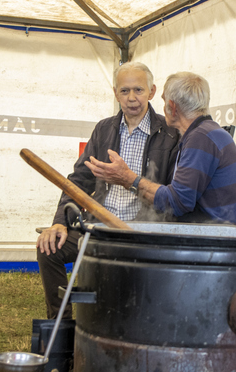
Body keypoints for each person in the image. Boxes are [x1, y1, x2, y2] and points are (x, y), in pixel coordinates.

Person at [36, 62, 180, 319]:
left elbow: (172, 193)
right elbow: (78, 181)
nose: (132, 97)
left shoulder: (169, 133)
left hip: (141, 231)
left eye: (138, 90)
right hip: (97, 227)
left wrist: (129, 180)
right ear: (115, 93)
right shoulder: (104, 129)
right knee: (49, 247)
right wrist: (59, 222)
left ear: (152, 91)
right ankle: (62, 326)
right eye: (124, 91)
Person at [88, 71, 236, 226]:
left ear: (172, 107)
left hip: (217, 238)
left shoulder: (200, 138)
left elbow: (177, 202)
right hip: (221, 234)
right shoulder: (208, 133)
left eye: (164, 101)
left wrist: (129, 179)